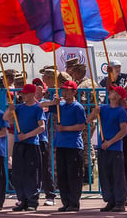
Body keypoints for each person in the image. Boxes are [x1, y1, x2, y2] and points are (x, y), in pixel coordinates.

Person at [42, 80, 86, 212]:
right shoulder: (60, 105)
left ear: (74, 92)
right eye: (63, 90)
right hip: (61, 145)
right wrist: (53, 102)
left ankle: (74, 202)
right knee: (62, 175)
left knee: (74, 175)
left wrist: (65, 128)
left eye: (68, 90)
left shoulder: (78, 107)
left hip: (73, 146)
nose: (65, 93)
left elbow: (82, 126)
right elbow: (41, 105)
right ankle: (65, 202)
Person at [4, 83, 45, 211]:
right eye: (22, 94)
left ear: (32, 94)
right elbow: (6, 119)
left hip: (32, 144)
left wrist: (27, 135)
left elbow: (41, 127)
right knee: (18, 173)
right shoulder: (19, 108)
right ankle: (22, 199)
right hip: (19, 144)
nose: (23, 96)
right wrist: (10, 110)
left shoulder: (38, 108)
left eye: (26, 93)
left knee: (32, 173)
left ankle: (32, 201)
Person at [86, 85, 127, 213]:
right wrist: (94, 112)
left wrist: (110, 142)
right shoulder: (103, 109)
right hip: (103, 147)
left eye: (114, 91)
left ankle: (120, 201)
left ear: (119, 96)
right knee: (105, 175)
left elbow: (123, 131)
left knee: (117, 175)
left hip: (114, 148)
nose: (110, 92)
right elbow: (88, 120)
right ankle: (110, 200)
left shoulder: (121, 111)